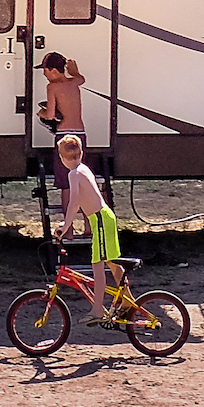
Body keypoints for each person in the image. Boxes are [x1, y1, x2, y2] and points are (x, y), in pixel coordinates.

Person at [51, 131, 128, 314]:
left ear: (61, 157)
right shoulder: (83, 168)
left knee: (98, 265)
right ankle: (127, 301)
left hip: (100, 220)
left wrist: (65, 225)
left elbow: (74, 201)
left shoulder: (73, 174)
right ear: (82, 152)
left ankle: (97, 310)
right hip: (104, 217)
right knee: (111, 262)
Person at [37, 52, 86, 139]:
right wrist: (75, 72)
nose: (44, 74)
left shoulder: (52, 86)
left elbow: (50, 116)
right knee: (78, 152)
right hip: (80, 130)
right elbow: (81, 79)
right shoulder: (74, 82)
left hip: (63, 131)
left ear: (54, 70)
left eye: (45, 70)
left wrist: (41, 113)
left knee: (64, 152)